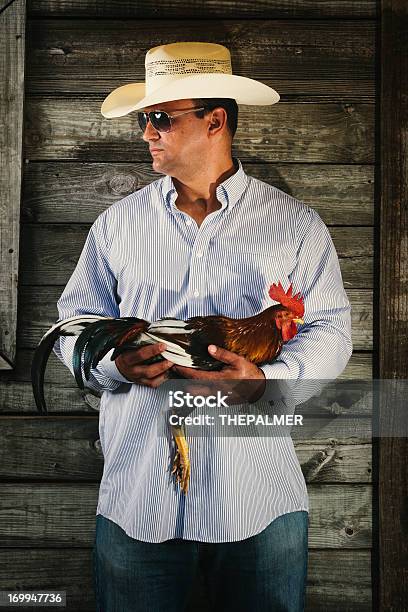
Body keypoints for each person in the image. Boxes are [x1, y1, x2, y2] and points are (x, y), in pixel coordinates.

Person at [53, 42, 352, 611]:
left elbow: (332, 330)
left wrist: (268, 382)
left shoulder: (295, 224)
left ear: (215, 121)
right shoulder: (118, 225)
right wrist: (110, 364)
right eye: (145, 120)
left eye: (161, 118)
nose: (147, 132)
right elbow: (73, 324)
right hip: (139, 493)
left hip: (256, 495)